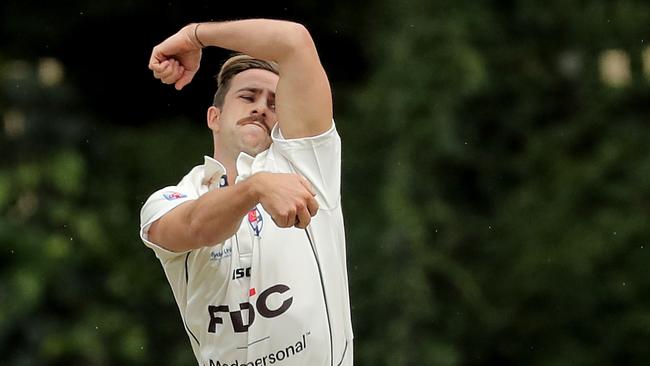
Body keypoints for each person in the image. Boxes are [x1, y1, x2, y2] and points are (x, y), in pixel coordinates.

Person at [139, 19, 353, 366]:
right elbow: (194, 227)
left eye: (274, 102)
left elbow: (294, 41)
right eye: (248, 96)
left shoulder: (308, 163)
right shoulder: (174, 197)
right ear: (214, 117)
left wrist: (196, 35)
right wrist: (254, 188)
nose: (262, 108)